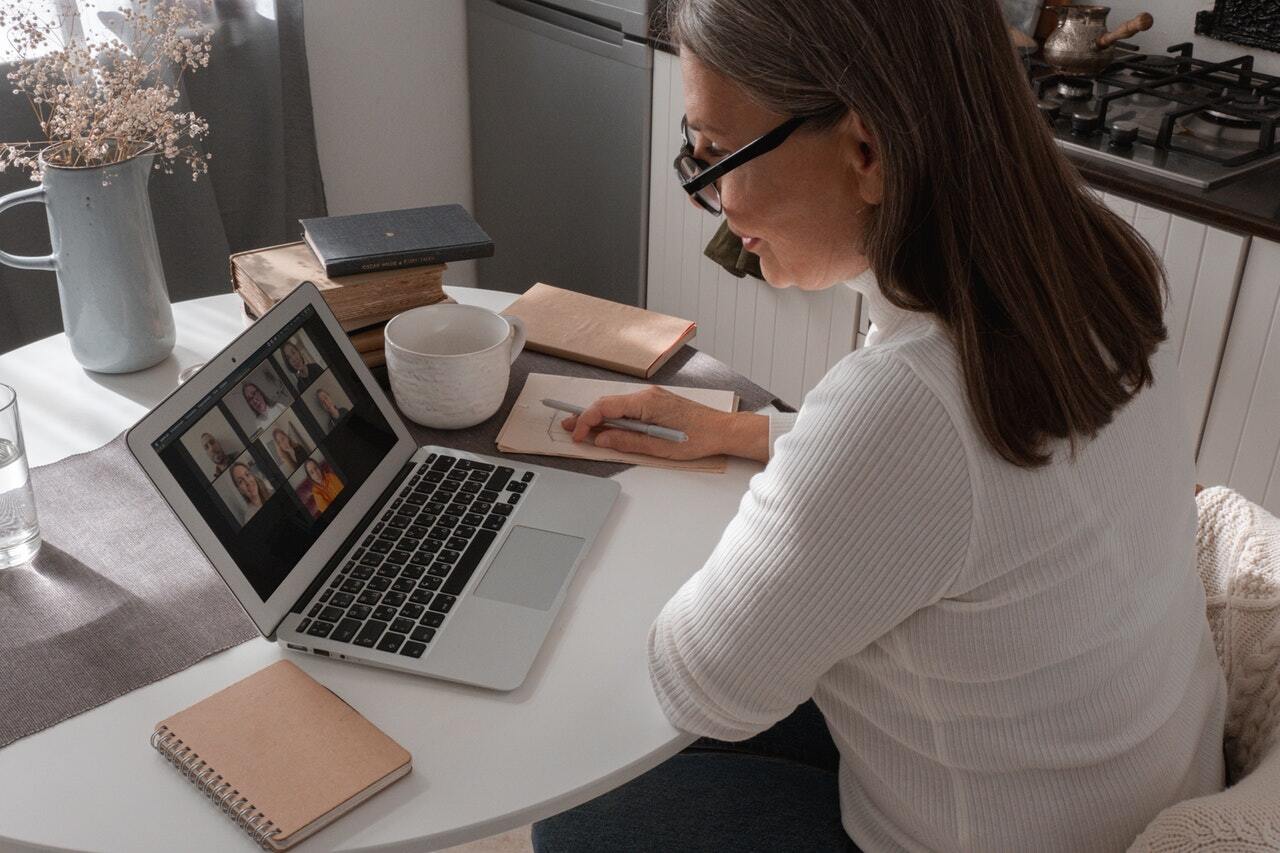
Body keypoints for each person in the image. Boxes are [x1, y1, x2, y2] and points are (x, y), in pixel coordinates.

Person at [533, 1, 1227, 851]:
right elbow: (976, 495)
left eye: (717, 155)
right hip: (1119, 778)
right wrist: (750, 431)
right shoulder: (1085, 261)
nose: (712, 200)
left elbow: (695, 681)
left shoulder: (904, 413)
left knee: (582, 810)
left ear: (867, 150)